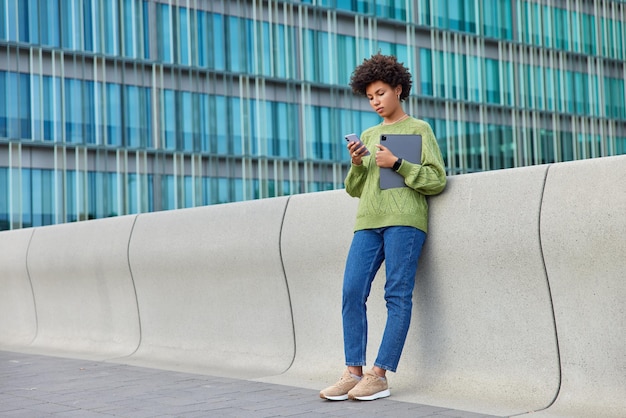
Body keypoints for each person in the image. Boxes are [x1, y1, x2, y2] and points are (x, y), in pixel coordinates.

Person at [319, 53, 447, 401]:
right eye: (370, 96)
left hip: (405, 222)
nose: (375, 101)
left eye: (380, 93)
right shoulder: (370, 133)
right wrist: (357, 164)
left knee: (396, 295)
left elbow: (436, 180)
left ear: (398, 89)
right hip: (368, 222)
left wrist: (398, 163)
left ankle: (379, 375)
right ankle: (353, 371)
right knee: (351, 291)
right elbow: (355, 189)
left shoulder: (419, 129)